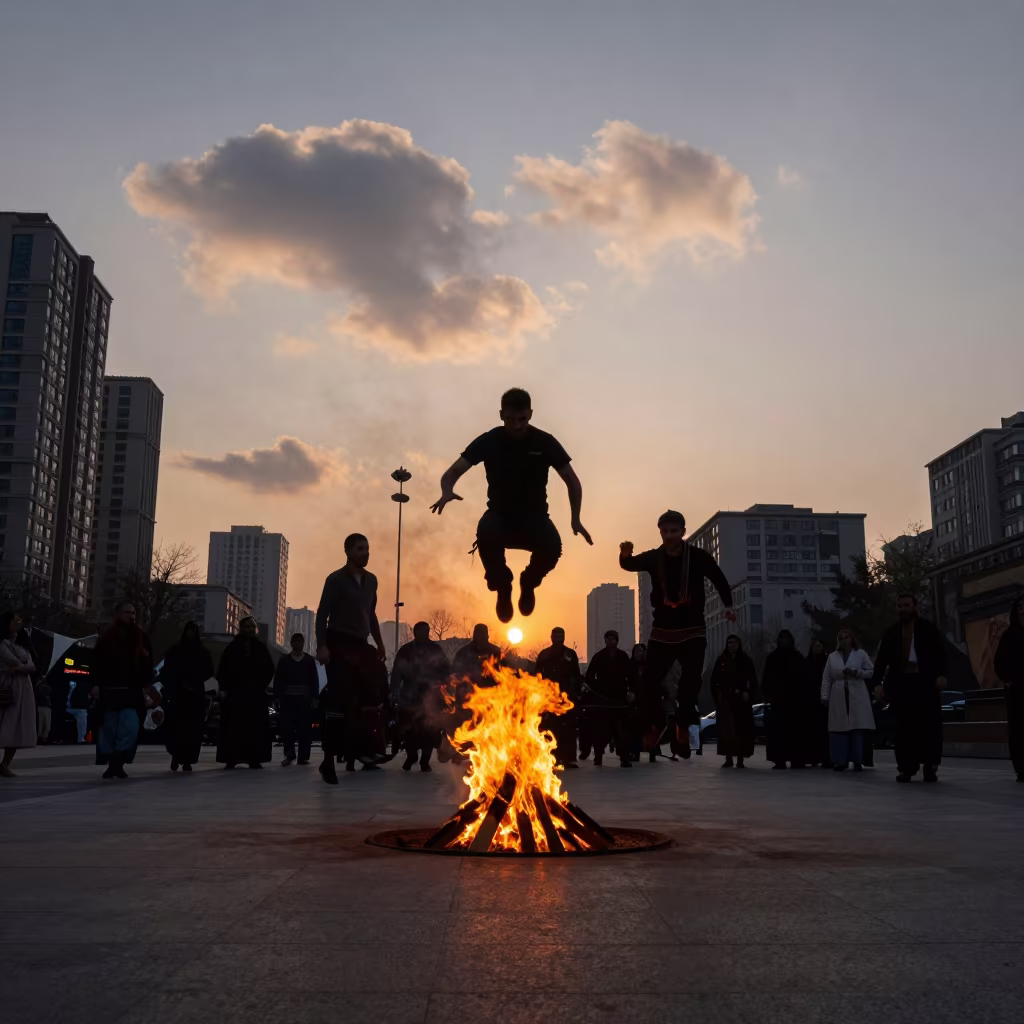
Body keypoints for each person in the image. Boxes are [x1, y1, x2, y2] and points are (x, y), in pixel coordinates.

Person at [430, 387, 593, 623]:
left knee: (553, 545)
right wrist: (446, 490)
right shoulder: (490, 440)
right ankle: (503, 587)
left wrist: (575, 518)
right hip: (500, 517)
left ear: (530, 414)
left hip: (534, 518)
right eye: (510, 419)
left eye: (522, 419)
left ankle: (528, 583)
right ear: (501, 415)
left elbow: (573, 482)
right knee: (486, 530)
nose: (516, 425)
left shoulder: (544, 442)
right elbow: (453, 471)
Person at [620, 510, 735, 759]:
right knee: (649, 682)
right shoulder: (654, 558)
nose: (670, 536)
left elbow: (718, 577)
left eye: (674, 531)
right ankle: (657, 724)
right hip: (662, 631)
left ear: (683, 532)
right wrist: (625, 554)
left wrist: (728, 606)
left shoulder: (698, 557)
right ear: (660, 532)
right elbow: (629, 565)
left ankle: (682, 726)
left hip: (693, 630)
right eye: (665, 531)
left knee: (690, 683)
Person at [314, 532, 388, 783]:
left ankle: (364, 750)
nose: (365, 553)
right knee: (337, 701)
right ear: (347, 552)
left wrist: (379, 643)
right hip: (338, 642)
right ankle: (328, 761)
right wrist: (322, 645)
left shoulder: (372, 581)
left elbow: (372, 614)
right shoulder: (335, 580)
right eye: (359, 549)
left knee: (370, 695)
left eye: (367, 548)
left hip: (360, 644)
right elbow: (322, 614)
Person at [871, 594, 948, 783]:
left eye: (906, 605)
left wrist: (942, 675)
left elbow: (941, 654)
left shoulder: (928, 629)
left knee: (929, 727)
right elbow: (881, 661)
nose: (903, 609)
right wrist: (877, 683)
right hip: (901, 684)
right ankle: (906, 767)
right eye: (899, 606)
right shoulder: (891, 633)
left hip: (925, 683)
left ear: (914, 606)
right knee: (904, 729)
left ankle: (930, 766)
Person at [91, 604, 154, 779]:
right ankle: (112, 764)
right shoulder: (107, 636)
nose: (132, 616)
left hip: (131, 692)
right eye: (128, 612)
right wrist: (95, 684)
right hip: (110, 690)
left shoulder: (140, 636)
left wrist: (146, 686)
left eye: (134, 612)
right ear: (118, 614)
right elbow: (96, 662)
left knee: (130, 727)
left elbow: (148, 663)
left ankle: (119, 762)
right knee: (109, 729)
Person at [216, 617, 275, 770]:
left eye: (252, 627)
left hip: (255, 696)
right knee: (234, 728)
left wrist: (260, 684)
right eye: (246, 626)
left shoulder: (261, 648)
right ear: (240, 628)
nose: (249, 630)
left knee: (254, 729)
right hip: (235, 695)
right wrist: (224, 688)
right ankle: (231, 758)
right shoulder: (232, 648)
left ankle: (254, 759)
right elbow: (223, 670)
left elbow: (269, 669)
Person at [390, 622, 449, 772]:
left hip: (431, 697)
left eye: (426, 631)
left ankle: (425, 761)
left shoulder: (436, 650)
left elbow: (446, 671)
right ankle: (411, 756)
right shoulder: (406, 650)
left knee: (430, 730)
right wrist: (394, 691)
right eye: (421, 631)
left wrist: (446, 691)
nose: (424, 634)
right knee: (409, 730)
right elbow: (397, 672)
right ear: (415, 632)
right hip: (410, 697)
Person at [444, 624, 502, 763]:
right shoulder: (464, 653)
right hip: (468, 697)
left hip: (489, 697)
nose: (481, 636)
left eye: (483, 633)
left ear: (488, 635)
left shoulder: (495, 651)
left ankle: (488, 755)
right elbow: (455, 674)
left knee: (489, 726)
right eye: (478, 633)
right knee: (466, 725)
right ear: (474, 635)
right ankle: (461, 752)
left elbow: (502, 673)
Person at [162, 621, 214, 772]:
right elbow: (168, 670)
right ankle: (176, 756)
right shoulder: (176, 649)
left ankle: (187, 761)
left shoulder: (202, 651)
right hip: (178, 696)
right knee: (176, 729)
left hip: (195, 697)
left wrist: (195, 681)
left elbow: (208, 671)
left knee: (193, 731)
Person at [821, 627, 875, 772]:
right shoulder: (833, 657)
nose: (844, 641)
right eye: (841, 638)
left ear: (852, 639)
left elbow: (871, 671)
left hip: (856, 691)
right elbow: (827, 678)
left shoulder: (860, 654)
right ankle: (840, 760)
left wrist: (856, 673)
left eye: (846, 637)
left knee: (856, 728)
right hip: (838, 693)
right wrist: (824, 696)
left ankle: (858, 759)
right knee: (839, 729)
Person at [581, 630, 636, 767]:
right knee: (600, 730)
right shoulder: (598, 657)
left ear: (617, 641)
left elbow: (632, 676)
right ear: (605, 640)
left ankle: (624, 756)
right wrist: (596, 690)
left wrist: (631, 692)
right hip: (602, 700)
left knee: (622, 730)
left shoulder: (623, 657)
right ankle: (598, 756)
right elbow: (589, 677)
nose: (611, 642)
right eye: (609, 639)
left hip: (619, 699)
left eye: (614, 639)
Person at [762, 629, 814, 769]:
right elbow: (767, 679)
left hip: (796, 702)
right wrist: (769, 695)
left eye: (786, 638)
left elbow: (805, 679)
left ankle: (797, 759)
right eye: (782, 638)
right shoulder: (773, 658)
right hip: (778, 702)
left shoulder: (797, 657)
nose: (784, 641)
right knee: (779, 733)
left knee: (796, 732)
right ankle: (779, 760)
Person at [535, 627, 582, 769]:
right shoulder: (544, 654)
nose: (558, 637)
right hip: (549, 697)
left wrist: (576, 692)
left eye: (561, 634)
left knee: (569, 727)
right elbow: (537, 674)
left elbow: (576, 674)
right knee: (550, 728)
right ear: (551, 637)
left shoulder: (570, 654)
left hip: (566, 697)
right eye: (555, 635)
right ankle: (552, 757)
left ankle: (570, 758)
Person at [710, 634, 757, 767]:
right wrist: (719, 695)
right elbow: (714, 681)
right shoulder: (722, 660)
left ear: (739, 644)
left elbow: (751, 679)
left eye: (735, 643)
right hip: (726, 701)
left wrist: (747, 692)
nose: (732, 645)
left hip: (741, 702)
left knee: (741, 730)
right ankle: (728, 758)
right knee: (727, 731)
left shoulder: (745, 660)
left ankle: (740, 759)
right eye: (730, 642)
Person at [273, 633, 320, 767]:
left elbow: (314, 680)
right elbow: (278, 680)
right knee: (287, 729)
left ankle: (303, 757)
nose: (297, 644)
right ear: (291, 643)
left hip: (304, 700)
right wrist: (277, 697)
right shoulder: (284, 661)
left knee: (304, 729)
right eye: (295, 641)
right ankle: (289, 754)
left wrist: (315, 698)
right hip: (288, 700)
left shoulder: (309, 660)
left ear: (303, 643)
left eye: (300, 641)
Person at [0, 611, 38, 776]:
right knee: (4, 721)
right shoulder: (3, 644)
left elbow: (32, 666)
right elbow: (13, 660)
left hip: (23, 689)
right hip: (6, 686)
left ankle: (4, 764)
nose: (19, 622)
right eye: (15, 620)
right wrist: (21, 666)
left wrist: (18, 668)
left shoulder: (23, 646)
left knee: (17, 724)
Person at [994, 596, 1024, 781]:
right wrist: (1007, 679)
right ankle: (1021, 767)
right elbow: (999, 661)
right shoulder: (1009, 635)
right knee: (1019, 728)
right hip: (1018, 689)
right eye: (1020, 607)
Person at [805, 639, 831, 767]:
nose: (816, 648)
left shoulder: (827, 661)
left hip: (824, 700)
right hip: (810, 700)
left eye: (819, 645)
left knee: (824, 730)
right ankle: (813, 757)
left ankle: (826, 757)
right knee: (812, 730)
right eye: (814, 646)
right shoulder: (806, 661)